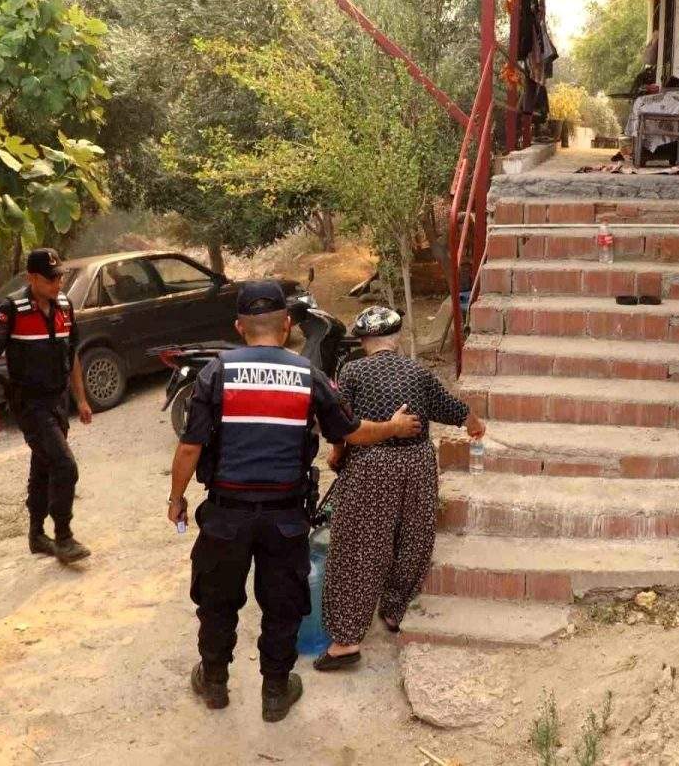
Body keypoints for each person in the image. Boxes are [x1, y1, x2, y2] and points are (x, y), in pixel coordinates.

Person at [167, 282, 422, 723]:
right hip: (284, 517)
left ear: (239, 327)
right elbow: (351, 432)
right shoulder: (308, 375)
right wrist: (394, 428)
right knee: (282, 605)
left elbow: (190, 447)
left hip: (226, 515)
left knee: (217, 602)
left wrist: (176, 499)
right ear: (287, 326)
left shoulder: (216, 373)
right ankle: (275, 692)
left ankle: (214, 683)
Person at [314, 306, 485, 672]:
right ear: (397, 338)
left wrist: (337, 454)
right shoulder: (418, 372)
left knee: (359, 546)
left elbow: (343, 423)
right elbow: (452, 408)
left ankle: (346, 641)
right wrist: (474, 423)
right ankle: (393, 610)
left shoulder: (352, 371)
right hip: (418, 464)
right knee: (414, 537)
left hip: (371, 464)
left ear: (363, 341)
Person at [0, 247, 93, 564]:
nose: (58, 283)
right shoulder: (11, 310)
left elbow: (72, 355)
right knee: (65, 466)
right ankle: (64, 537)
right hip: (30, 403)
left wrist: (81, 399)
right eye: (50, 278)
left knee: (43, 464)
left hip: (58, 400)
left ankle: (36, 535)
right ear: (32, 278)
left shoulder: (65, 306)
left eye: (60, 277)